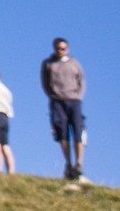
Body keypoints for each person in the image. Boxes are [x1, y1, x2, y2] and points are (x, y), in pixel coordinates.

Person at [41, 37, 87, 182]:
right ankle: (68, 163)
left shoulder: (75, 64)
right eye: (58, 49)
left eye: (63, 49)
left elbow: (82, 81)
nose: (61, 51)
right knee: (62, 133)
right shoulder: (48, 64)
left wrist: (78, 96)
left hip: (74, 101)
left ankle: (79, 164)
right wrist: (53, 96)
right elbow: (45, 83)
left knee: (78, 131)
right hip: (57, 101)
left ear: (67, 49)